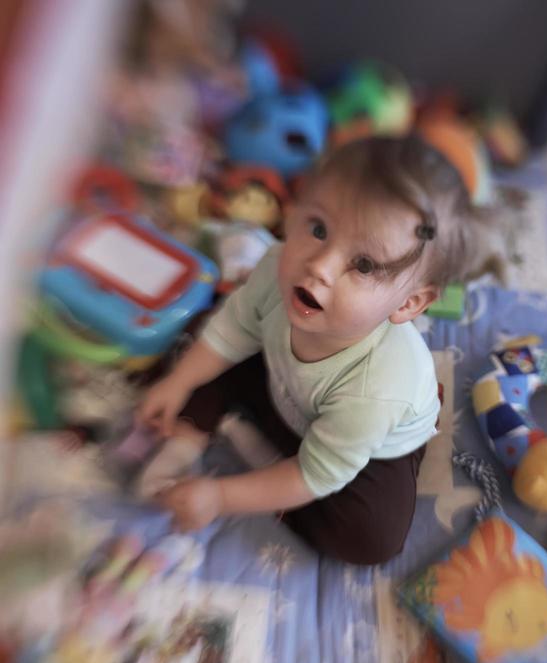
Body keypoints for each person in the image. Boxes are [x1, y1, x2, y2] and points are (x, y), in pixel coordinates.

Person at [137, 134, 482, 564]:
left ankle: (276, 484)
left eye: (364, 265)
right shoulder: (277, 269)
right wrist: (178, 381)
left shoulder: (376, 389)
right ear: (295, 211)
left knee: (372, 539)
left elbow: (316, 474)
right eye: (318, 229)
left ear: (408, 304)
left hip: (368, 439)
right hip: (290, 386)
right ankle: (189, 433)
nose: (319, 266)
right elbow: (231, 330)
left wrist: (219, 496)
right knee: (207, 334)